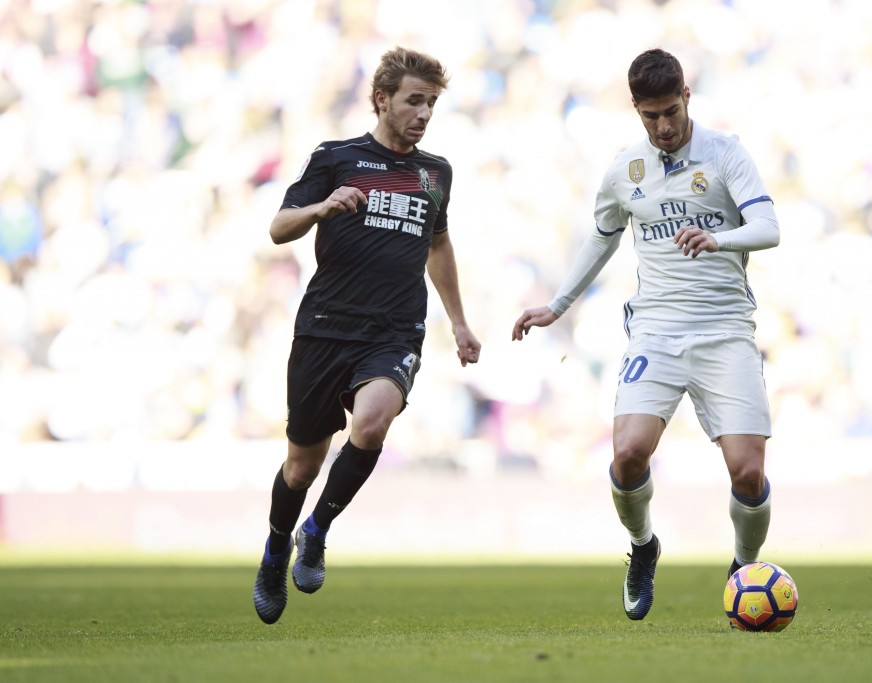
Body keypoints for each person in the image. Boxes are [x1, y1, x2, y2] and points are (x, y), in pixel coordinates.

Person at [512, 48, 780, 621]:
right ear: (636, 109)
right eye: (651, 116)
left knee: (748, 471)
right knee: (629, 454)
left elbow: (768, 227)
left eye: (671, 113)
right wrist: (557, 305)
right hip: (656, 333)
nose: (663, 127)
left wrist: (719, 239)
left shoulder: (726, 153)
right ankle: (643, 547)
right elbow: (602, 236)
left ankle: (743, 566)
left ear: (688, 97)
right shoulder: (624, 169)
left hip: (725, 331)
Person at [253, 46, 481, 624]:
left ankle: (317, 528)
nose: (424, 113)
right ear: (382, 99)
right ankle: (277, 545)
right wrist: (323, 208)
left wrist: (457, 320)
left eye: (431, 102)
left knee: (373, 420)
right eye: (414, 100)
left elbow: (438, 244)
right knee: (301, 466)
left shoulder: (436, 173)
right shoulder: (336, 158)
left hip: (395, 328)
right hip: (325, 327)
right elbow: (279, 228)